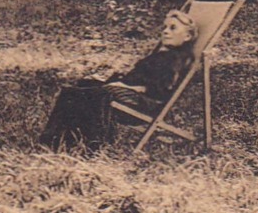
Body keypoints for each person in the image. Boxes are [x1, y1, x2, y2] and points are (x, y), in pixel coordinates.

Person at [39, 9, 199, 151]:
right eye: (164, 27)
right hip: (131, 95)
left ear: (187, 36)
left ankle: (86, 144)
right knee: (82, 87)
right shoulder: (165, 54)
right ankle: (66, 140)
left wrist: (125, 87)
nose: (165, 31)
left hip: (144, 103)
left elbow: (160, 90)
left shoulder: (176, 60)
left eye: (173, 28)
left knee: (91, 94)